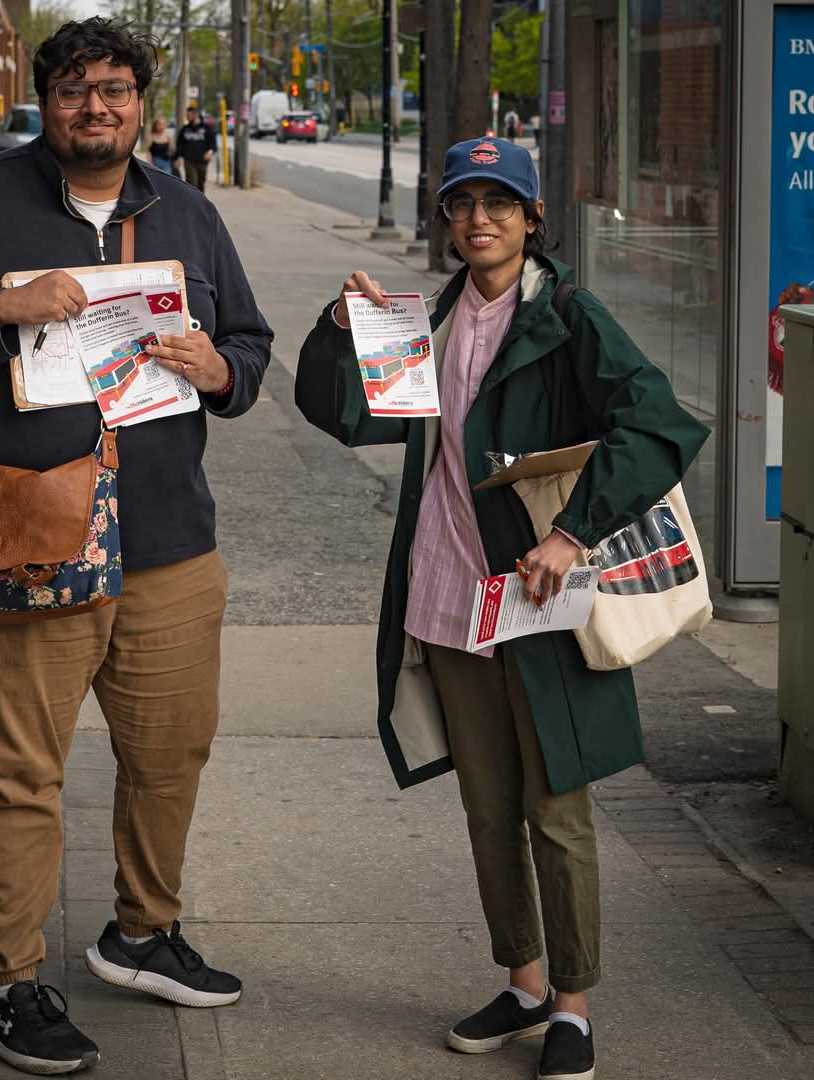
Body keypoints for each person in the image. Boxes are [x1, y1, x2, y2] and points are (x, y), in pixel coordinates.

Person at [0, 17, 272, 1076]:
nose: (99, 107)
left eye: (118, 89)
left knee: (169, 756)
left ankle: (141, 933)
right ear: (48, 98)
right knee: (18, 777)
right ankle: (10, 984)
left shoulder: (187, 213)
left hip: (167, 545)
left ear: (143, 102)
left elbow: (251, 344)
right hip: (18, 541)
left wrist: (220, 371)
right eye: (78, 88)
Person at [295, 138, 709, 1080]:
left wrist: (572, 535)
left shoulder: (569, 315)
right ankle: (522, 983)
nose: (479, 218)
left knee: (555, 807)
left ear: (531, 219)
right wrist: (337, 325)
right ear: (445, 221)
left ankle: (572, 1005)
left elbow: (660, 424)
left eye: (499, 202)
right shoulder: (425, 318)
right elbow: (345, 415)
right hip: (448, 600)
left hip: (537, 601)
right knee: (489, 809)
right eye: (462, 203)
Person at [174, 105, 216, 192]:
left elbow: (213, 144)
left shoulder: (207, 128)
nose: (187, 117)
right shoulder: (185, 129)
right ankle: (193, 204)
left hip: (202, 161)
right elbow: (179, 144)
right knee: (192, 184)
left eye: (189, 115)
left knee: (201, 183)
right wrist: (177, 158)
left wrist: (210, 152)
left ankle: (201, 203)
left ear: (195, 115)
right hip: (189, 160)